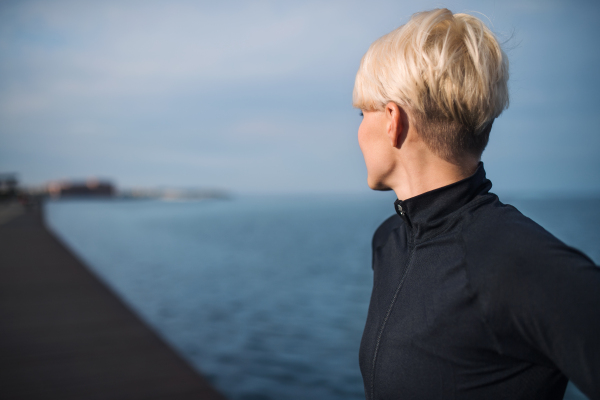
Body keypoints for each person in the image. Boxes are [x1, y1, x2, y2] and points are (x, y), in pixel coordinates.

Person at [353, 8, 599, 400]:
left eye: (360, 112)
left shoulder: (517, 263)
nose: (357, 130)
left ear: (391, 120)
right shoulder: (389, 243)